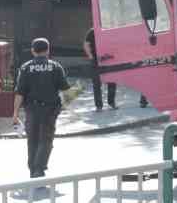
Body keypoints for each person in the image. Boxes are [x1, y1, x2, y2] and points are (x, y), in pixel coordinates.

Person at [12, 37, 72, 179]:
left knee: (32, 138)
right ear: (48, 50)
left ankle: (33, 167)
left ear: (33, 51)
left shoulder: (26, 67)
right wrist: (68, 108)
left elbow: (20, 92)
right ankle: (39, 168)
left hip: (31, 109)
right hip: (50, 110)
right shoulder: (55, 66)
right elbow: (66, 91)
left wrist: (15, 113)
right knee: (46, 139)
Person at [83, 27, 116, 110]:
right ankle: (99, 106)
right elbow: (86, 44)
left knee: (112, 82)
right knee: (97, 84)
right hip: (96, 60)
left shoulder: (109, 30)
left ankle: (111, 103)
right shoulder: (92, 31)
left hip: (109, 60)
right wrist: (91, 57)